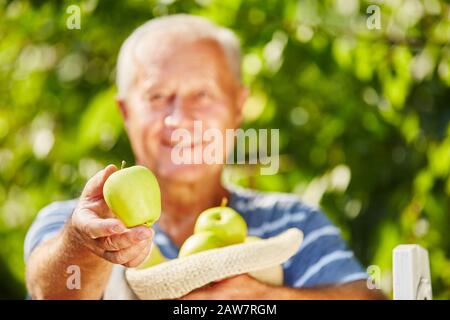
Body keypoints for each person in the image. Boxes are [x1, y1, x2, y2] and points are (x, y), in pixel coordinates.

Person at [25, 14, 384, 299]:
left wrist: (267, 298)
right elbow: (52, 294)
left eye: (203, 96)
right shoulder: (75, 225)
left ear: (238, 107)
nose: (181, 120)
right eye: (158, 97)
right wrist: (84, 242)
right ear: (125, 113)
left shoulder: (293, 221)